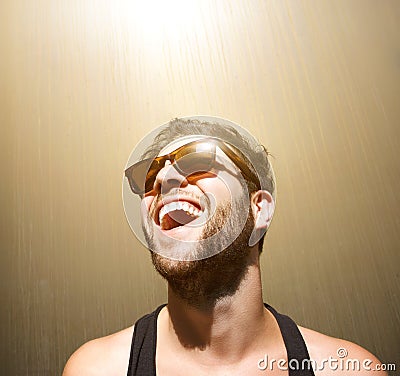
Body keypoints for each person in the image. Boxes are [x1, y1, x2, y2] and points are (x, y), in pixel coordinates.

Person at [63, 118, 387, 375]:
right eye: (148, 179)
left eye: (198, 162)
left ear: (258, 209)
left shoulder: (350, 370)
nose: (163, 180)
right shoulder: (98, 369)